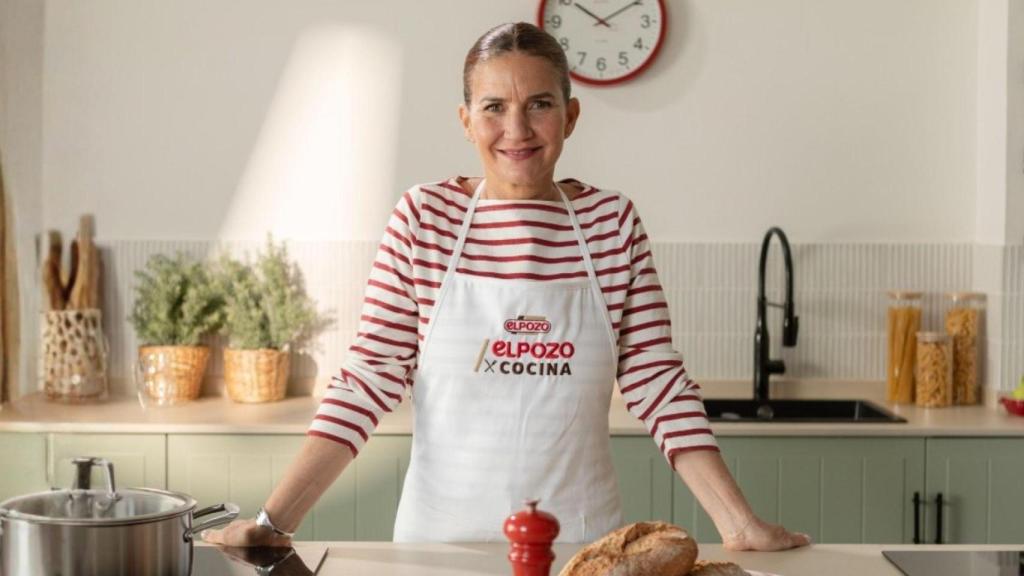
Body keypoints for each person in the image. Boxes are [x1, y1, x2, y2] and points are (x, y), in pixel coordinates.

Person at [204, 22, 810, 550]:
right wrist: (274, 520)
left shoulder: (611, 223)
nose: (516, 128)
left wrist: (738, 523)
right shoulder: (424, 219)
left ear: (571, 116)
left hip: (581, 548)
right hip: (438, 545)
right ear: (466, 121)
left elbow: (656, 381)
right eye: (493, 107)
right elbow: (369, 378)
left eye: (539, 104)